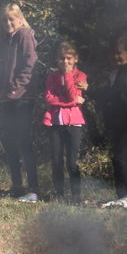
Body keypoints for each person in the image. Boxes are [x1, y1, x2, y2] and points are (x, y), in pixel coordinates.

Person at [0, 2, 41, 201]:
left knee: (24, 142)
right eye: (5, 20)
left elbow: (30, 65)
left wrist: (14, 87)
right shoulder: (6, 40)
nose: (8, 23)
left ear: (20, 19)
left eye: (11, 19)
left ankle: (33, 190)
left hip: (22, 98)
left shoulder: (25, 35)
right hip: (7, 98)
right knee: (9, 142)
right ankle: (17, 186)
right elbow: (3, 66)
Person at [96, 36, 127, 209]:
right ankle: (121, 196)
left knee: (120, 158)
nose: (116, 57)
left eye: (119, 53)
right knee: (116, 159)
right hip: (117, 123)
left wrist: (111, 95)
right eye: (113, 54)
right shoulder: (113, 73)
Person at [43, 41, 88, 204]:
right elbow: (49, 98)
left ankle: (76, 195)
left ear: (76, 59)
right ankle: (59, 195)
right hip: (56, 122)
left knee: (71, 161)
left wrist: (68, 75)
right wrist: (71, 102)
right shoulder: (52, 77)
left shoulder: (80, 76)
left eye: (69, 58)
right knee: (56, 160)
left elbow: (70, 95)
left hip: (74, 123)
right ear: (57, 59)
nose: (65, 62)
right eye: (62, 58)